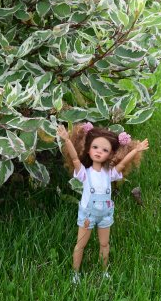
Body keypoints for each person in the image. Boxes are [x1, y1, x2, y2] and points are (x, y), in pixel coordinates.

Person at [56, 121, 149, 284]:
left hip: (105, 214)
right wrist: (67, 140)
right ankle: (75, 273)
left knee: (104, 244)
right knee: (80, 245)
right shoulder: (84, 173)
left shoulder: (110, 173)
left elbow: (123, 163)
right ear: (88, 148)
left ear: (111, 154)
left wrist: (135, 150)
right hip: (88, 215)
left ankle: (104, 271)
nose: (99, 152)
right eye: (95, 147)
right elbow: (75, 158)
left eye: (105, 150)